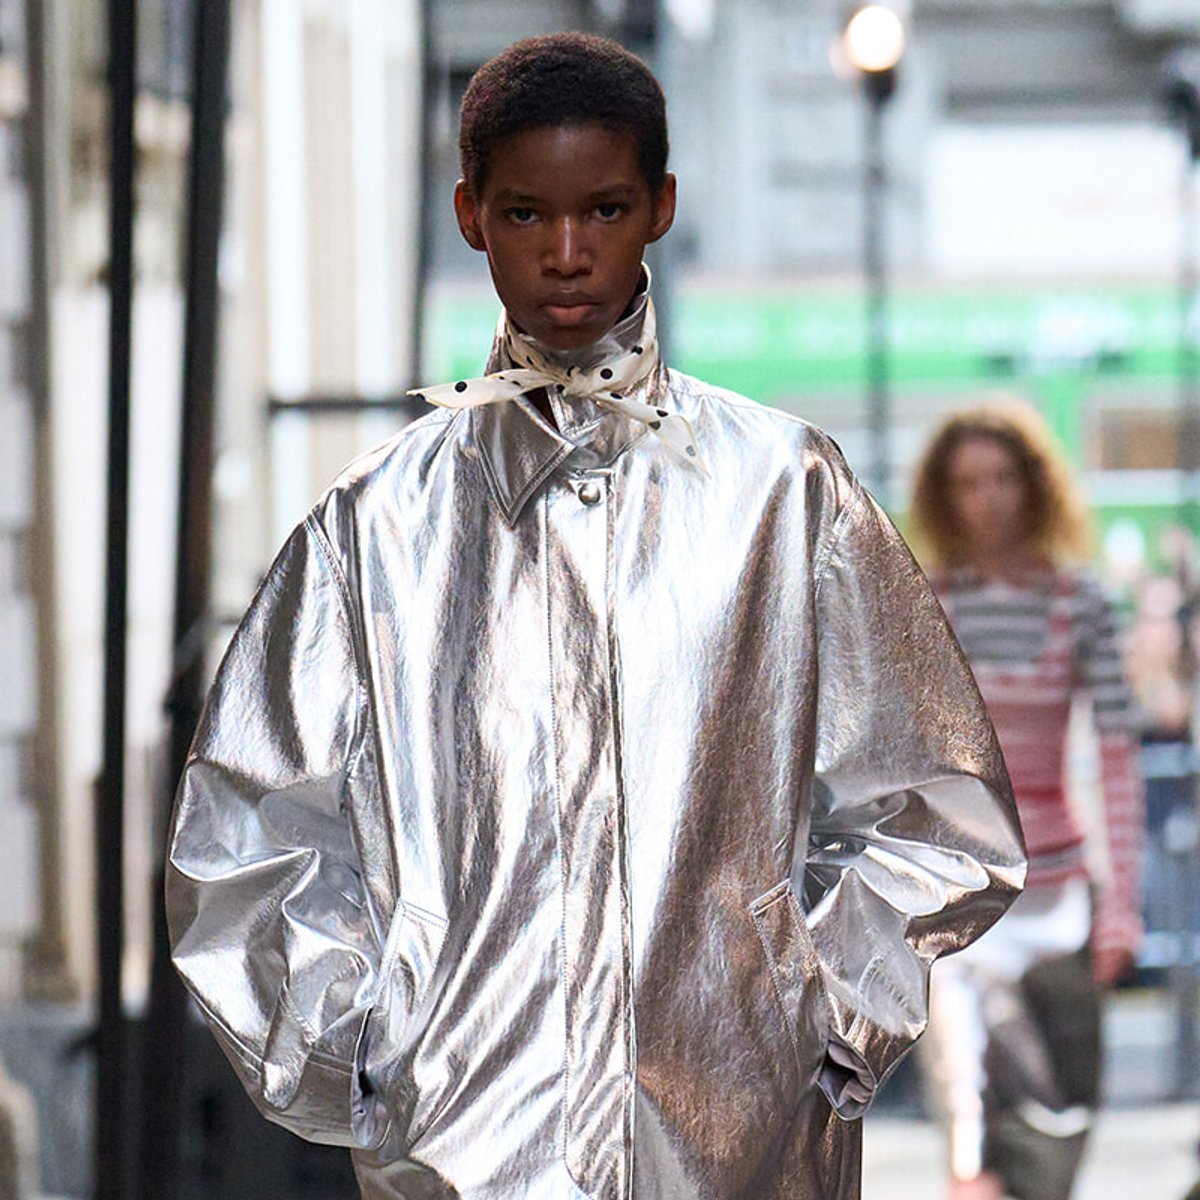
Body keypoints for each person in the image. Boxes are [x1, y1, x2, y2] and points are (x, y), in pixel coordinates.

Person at [166, 33, 1025, 1200]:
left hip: (742, 1145)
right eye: (526, 215)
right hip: (463, 1150)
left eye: (606, 209)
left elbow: (937, 809)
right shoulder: (374, 529)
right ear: (469, 215)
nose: (568, 255)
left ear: (661, 206)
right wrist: (364, 1056)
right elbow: (246, 839)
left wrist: (821, 1024)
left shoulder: (784, 493)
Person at [909, 401, 1145, 1200]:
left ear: (1036, 486)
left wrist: (1123, 905)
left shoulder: (1080, 602)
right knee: (969, 1138)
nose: (988, 498)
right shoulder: (924, 598)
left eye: (1005, 477)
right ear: (944, 494)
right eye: (968, 481)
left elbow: (1118, 759)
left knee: (1058, 1120)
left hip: (1059, 903)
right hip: (960, 904)